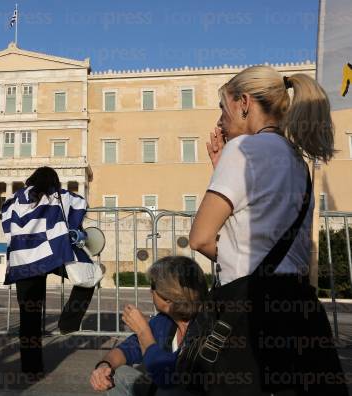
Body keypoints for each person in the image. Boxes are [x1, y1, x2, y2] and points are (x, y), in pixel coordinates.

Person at [189, 66, 347, 394]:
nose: (221, 119)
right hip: (300, 309)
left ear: (243, 103)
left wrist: (229, 252)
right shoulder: (296, 159)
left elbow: (201, 238)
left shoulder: (242, 150)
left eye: (223, 106)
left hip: (252, 311)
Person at [1, 166, 95, 377]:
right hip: (50, 254)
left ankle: (31, 368)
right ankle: (68, 321)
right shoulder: (57, 195)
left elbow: (5, 219)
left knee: (29, 316)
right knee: (90, 274)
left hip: (23, 260)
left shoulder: (15, 198)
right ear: (53, 180)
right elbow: (80, 203)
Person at [90, 256, 206, 396]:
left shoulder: (205, 327)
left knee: (168, 392)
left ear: (168, 297)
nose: (150, 291)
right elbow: (127, 349)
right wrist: (105, 366)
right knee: (116, 375)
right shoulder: (164, 321)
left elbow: (168, 377)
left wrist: (143, 331)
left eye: (153, 286)